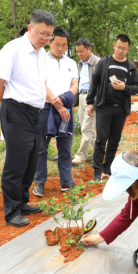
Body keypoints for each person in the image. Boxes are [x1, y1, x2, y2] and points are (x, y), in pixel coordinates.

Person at [0, 10, 68, 228]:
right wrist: (8, 105)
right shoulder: (13, 50)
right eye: (42, 33)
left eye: (49, 35)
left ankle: (22, 201)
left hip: (37, 113)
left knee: (31, 159)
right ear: (30, 28)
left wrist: (54, 102)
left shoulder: (42, 54)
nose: (45, 38)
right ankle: (11, 210)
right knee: (16, 162)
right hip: (15, 111)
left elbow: (41, 85)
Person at [86, 34, 138, 182]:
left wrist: (125, 87)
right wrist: (90, 102)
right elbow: (95, 83)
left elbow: (136, 87)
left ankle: (107, 167)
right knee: (101, 139)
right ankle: (97, 171)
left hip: (120, 109)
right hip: (104, 107)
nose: (120, 50)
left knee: (114, 141)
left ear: (128, 49)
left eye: (123, 48)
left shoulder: (131, 67)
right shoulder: (104, 63)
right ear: (114, 46)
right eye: (118, 47)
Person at [33, 27, 79, 197]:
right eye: (57, 44)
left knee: (65, 148)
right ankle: (40, 182)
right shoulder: (41, 59)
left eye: (64, 45)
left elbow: (75, 85)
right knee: (41, 148)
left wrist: (64, 102)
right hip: (45, 108)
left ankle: (67, 182)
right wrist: (55, 102)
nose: (60, 48)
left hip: (66, 109)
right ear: (50, 42)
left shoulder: (71, 63)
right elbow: (40, 83)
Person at [72, 38, 101, 165]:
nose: (79, 54)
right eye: (77, 52)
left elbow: (100, 86)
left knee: (85, 128)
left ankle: (80, 156)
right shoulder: (80, 64)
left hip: (91, 99)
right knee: (89, 130)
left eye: (81, 51)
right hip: (81, 97)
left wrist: (93, 102)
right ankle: (101, 152)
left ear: (89, 49)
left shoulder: (98, 63)